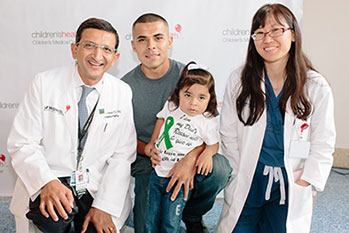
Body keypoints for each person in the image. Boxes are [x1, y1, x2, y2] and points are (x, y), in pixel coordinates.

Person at [7, 18, 136, 233]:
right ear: (74, 49)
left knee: (97, 228)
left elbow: (123, 155)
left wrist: (103, 206)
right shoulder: (44, 83)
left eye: (106, 49)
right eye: (90, 46)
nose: (97, 56)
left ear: (115, 58)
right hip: (53, 174)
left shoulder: (121, 92)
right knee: (53, 221)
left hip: (95, 182)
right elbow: (22, 143)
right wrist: (46, 181)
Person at [217, 3, 336, 233]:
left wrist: (307, 179)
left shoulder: (315, 86)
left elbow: (324, 141)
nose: (267, 39)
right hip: (250, 176)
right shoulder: (239, 80)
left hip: (289, 180)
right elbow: (228, 132)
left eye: (275, 30)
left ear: (292, 34)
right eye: (260, 33)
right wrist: (238, 169)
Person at [121, 13, 231, 233]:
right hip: (148, 162)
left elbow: (209, 127)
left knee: (218, 168)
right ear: (133, 46)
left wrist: (190, 159)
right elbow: (121, 138)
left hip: (189, 154)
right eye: (142, 39)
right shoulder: (124, 87)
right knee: (146, 228)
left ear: (170, 41)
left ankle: (191, 215)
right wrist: (148, 149)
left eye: (158, 37)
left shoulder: (190, 77)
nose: (151, 46)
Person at [144, 62, 219, 233]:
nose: (193, 103)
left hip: (179, 179)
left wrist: (208, 153)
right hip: (157, 173)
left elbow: (213, 145)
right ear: (179, 93)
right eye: (187, 95)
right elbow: (161, 119)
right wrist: (152, 142)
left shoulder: (207, 121)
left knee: (170, 221)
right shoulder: (171, 106)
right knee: (150, 219)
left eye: (201, 98)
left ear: (210, 99)